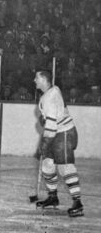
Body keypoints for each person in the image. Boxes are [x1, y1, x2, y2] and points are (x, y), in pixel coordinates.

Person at [34, 71, 83, 217]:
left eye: (37, 78)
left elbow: (51, 126)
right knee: (47, 166)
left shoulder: (49, 97)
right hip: (58, 133)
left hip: (64, 134)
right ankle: (53, 197)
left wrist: (44, 145)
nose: (34, 80)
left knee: (65, 168)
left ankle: (77, 203)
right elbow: (53, 116)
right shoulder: (53, 90)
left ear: (43, 79)